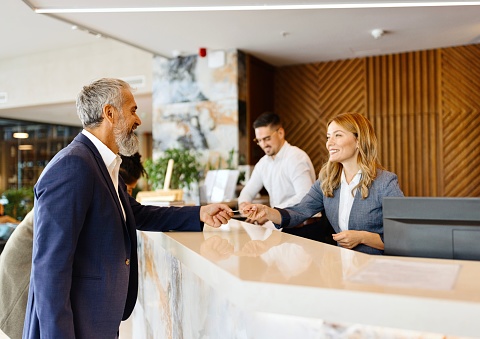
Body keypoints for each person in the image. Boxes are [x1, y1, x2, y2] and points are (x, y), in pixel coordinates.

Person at [22, 78, 233, 338]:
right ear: (110, 113)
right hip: (77, 324)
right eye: (133, 109)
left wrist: (198, 213)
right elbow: (49, 267)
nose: (139, 120)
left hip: (99, 318)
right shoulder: (73, 166)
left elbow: (137, 213)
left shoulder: (104, 163)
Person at [0, 153, 148, 339]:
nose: (129, 195)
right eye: (128, 189)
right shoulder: (82, 173)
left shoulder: (101, 179)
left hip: (31, 261)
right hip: (23, 267)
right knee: (29, 325)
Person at [241, 112, 404, 254]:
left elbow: (403, 237)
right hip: (342, 268)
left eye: (338, 135)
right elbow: (299, 211)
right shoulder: (327, 181)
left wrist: (363, 237)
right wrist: (267, 212)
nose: (329, 143)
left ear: (359, 141)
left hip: (375, 269)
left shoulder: (385, 182)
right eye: (328, 137)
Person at [237, 112, 316, 223]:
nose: (263, 145)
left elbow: (305, 196)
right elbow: (248, 192)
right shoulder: (263, 163)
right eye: (259, 140)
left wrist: (269, 213)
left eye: (267, 138)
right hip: (280, 222)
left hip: (302, 224)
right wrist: (244, 204)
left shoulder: (296, 157)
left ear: (280, 133)